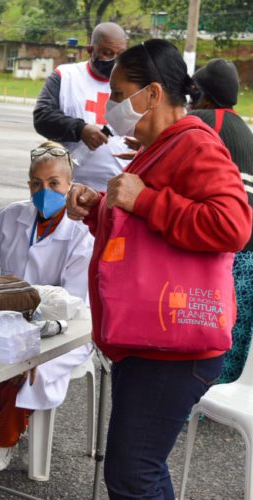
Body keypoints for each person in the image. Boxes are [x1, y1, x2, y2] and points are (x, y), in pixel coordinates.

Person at [67, 39, 252, 498]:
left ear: (151, 94)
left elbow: (232, 226)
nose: (110, 106)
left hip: (173, 345)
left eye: (118, 94)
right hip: (153, 336)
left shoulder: (194, 144)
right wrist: (97, 208)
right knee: (137, 470)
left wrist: (145, 199)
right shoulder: (161, 145)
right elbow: (145, 235)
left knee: (134, 474)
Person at [0, 140, 93, 473]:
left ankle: (5, 436)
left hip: (68, 327)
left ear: (70, 185)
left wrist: (32, 331)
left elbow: (72, 302)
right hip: (8, 317)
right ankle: (21, 420)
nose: (44, 191)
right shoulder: (12, 215)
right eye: (37, 183)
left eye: (54, 183)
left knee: (35, 368)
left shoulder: (82, 232)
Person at [190, 58, 253, 384]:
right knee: (234, 333)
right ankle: (221, 395)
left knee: (202, 328)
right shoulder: (245, 130)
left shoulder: (202, 120)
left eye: (193, 94)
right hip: (249, 252)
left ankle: (195, 394)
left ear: (204, 95)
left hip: (221, 248)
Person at [33, 22, 131, 192]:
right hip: (68, 188)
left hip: (117, 191)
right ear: (90, 50)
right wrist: (80, 129)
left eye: (120, 55)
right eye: (107, 53)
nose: (114, 60)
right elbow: (42, 117)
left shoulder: (134, 84)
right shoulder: (65, 76)